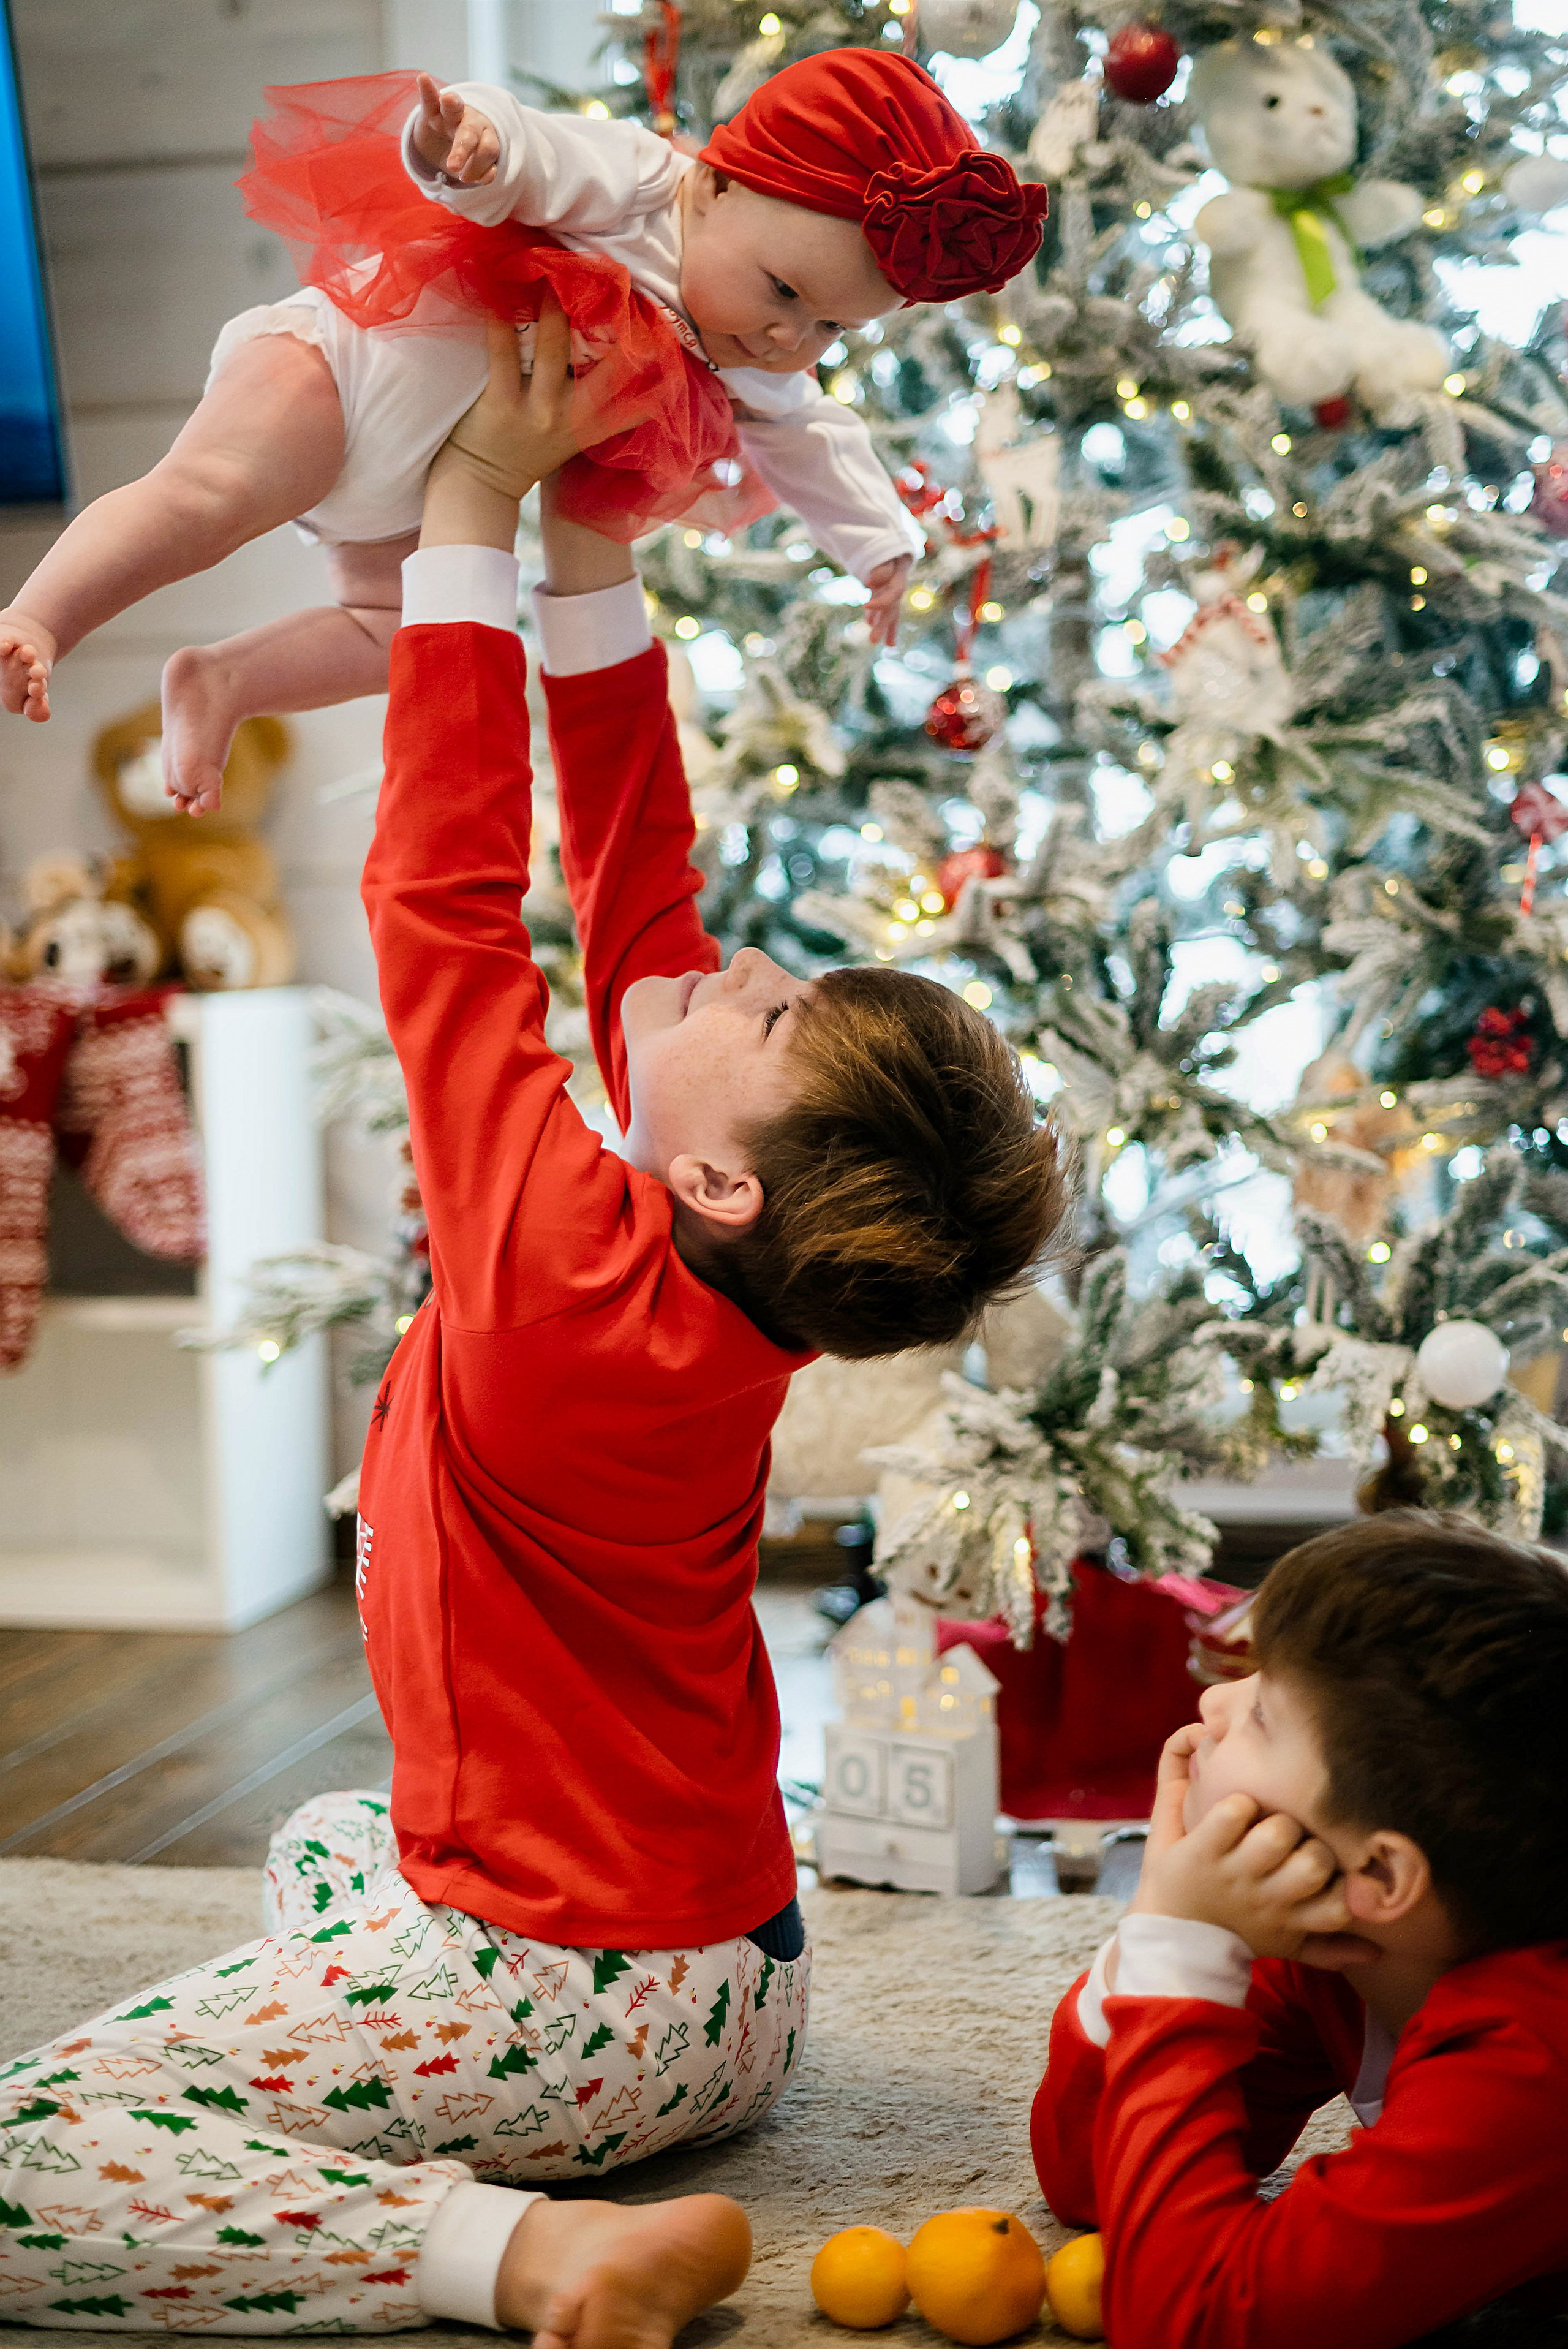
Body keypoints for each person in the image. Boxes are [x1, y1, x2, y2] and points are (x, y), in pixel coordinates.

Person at [0, 311, 1068, 2335]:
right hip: (739, 1979)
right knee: (345, 1828)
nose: (728, 968)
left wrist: (473, 515)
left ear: (728, 1178)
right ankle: (541, 2114)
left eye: (766, 1013)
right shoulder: (697, 1271)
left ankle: (521, 2248)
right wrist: (595, 551)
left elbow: (447, 898)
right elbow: (642, 884)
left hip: (565, 2002)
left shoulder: (554, 1264)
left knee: (26, 2153)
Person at [0, 47, 1047, 814]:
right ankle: (45, 616)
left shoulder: (748, 357)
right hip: (346, 370)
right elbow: (535, 158)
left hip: (409, 504)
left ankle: (223, 680)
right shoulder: (645, 183)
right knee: (206, 500)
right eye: (784, 290)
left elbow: (812, 438)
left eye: (827, 325)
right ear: (718, 183)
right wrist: (472, 145)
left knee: (398, 637)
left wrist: (878, 545)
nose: (788, 333)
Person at [1031, 1511, 1568, 2349]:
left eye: (1264, 1717)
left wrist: (1181, 1949)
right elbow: (1093, 2183)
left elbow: (1196, 2316)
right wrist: (1161, 1931)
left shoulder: (1534, 2060)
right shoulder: (1333, 1942)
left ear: (1381, 1876)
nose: (1212, 1700)